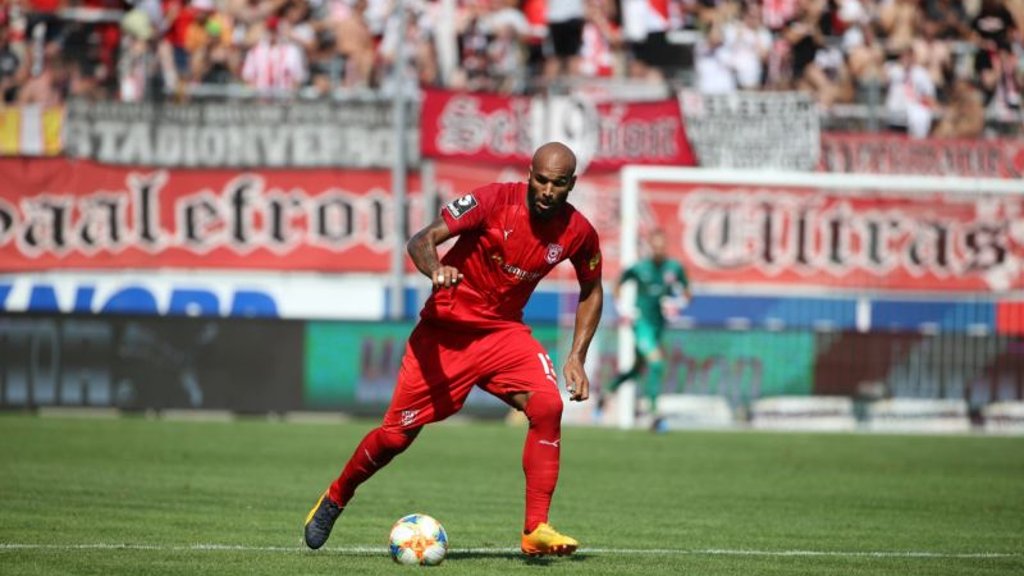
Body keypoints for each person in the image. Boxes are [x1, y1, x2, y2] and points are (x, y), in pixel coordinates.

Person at [303, 142, 603, 557]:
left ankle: (535, 528)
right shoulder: (494, 200)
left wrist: (576, 356)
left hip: (502, 335)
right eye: (541, 180)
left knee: (548, 406)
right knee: (394, 438)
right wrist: (436, 267)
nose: (548, 190)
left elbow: (592, 288)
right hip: (445, 334)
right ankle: (336, 497)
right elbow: (421, 239)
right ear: (529, 174)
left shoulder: (579, 232)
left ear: (572, 185)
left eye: (558, 183)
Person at [601, 228, 690, 431]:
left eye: (662, 245)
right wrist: (622, 308)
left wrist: (678, 303)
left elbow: (687, 291)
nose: (659, 249)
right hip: (641, 325)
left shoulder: (674, 268)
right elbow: (618, 283)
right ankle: (654, 415)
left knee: (637, 369)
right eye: (655, 245)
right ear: (650, 246)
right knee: (657, 364)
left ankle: (608, 391)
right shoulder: (640, 268)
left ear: (665, 246)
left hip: (659, 325)